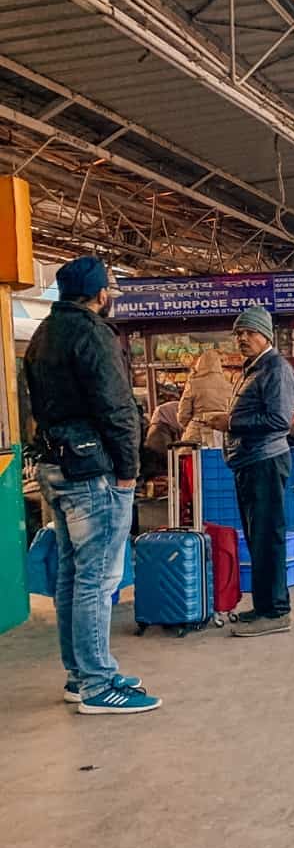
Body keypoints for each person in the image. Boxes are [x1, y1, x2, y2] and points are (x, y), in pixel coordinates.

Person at [24, 255, 158, 713]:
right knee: (98, 580)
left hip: (56, 466)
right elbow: (116, 406)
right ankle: (99, 685)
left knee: (72, 576)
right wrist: (129, 467)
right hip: (93, 471)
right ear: (99, 293)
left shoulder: (42, 334)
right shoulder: (94, 333)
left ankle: (80, 675)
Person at [200, 305, 294, 637]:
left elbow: (279, 421)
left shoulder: (276, 369)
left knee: (268, 537)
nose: (243, 338)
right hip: (249, 461)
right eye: (239, 333)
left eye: (249, 333)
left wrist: (230, 423)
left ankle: (276, 611)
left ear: (266, 335)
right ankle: (264, 605)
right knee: (257, 538)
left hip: (265, 461)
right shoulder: (252, 368)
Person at [178, 348, 232, 447]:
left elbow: (183, 414)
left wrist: (190, 425)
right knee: (220, 460)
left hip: (197, 432)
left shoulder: (193, 383)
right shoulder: (229, 385)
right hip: (223, 435)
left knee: (193, 460)